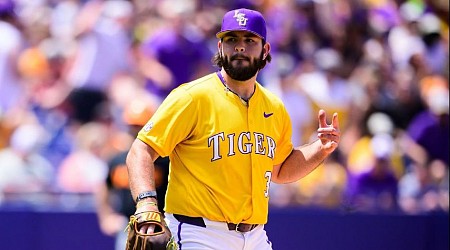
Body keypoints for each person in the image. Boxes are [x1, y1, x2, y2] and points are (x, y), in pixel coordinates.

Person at [126, 8, 340, 249]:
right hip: (199, 233)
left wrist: (320, 149)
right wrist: (146, 203)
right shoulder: (192, 97)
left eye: (249, 40)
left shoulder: (274, 107)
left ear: (265, 50)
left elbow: (280, 170)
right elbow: (141, 150)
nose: (240, 47)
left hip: (255, 236)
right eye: (231, 39)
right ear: (220, 48)